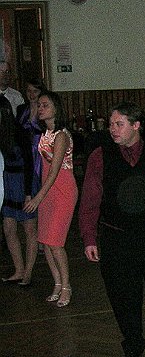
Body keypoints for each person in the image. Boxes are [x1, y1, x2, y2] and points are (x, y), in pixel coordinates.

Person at [78, 101, 145, 357]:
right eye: (111, 124)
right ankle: (132, 345)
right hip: (116, 239)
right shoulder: (100, 156)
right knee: (123, 299)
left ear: (136, 125)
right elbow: (90, 200)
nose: (112, 129)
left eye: (119, 124)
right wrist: (89, 238)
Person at [23, 91, 77, 307]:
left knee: (55, 242)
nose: (40, 108)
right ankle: (57, 283)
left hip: (62, 190)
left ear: (56, 108)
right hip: (47, 190)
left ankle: (66, 286)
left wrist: (38, 197)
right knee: (45, 241)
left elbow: (55, 171)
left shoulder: (61, 135)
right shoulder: (45, 133)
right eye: (39, 105)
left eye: (45, 105)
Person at [1, 96, 36, 286]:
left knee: (29, 228)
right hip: (9, 181)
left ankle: (28, 272)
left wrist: (29, 193)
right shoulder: (2, 132)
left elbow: (30, 164)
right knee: (8, 228)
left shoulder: (19, 132)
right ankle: (19, 269)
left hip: (23, 181)